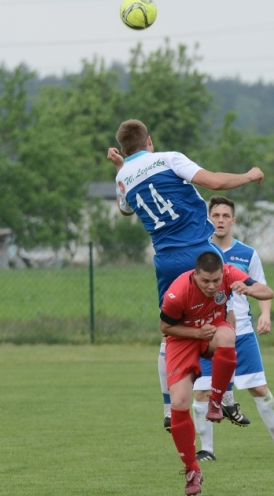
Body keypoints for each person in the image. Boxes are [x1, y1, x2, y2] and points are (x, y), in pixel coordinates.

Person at [107, 119, 264, 432]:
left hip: (166, 260)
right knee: (227, 315)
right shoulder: (168, 159)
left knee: (170, 330)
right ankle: (223, 395)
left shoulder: (122, 176)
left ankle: (169, 407)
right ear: (149, 140)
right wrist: (249, 175)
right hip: (199, 251)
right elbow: (214, 183)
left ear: (123, 149)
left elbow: (126, 210)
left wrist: (122, 168)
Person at [192, 197, 274, 461]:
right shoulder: (200, 253)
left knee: (259, 388)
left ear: (233, 220)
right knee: (202, 392)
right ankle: (206, 450)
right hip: (209, 334)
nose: (220, 220)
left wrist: (265, 314)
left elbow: (262, 287)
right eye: (215, 215)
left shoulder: (247, 254)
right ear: (209, 219)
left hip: (241, 333)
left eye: (225, 216)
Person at [159, 250, 274, 496]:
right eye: (205, 281)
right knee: (179, 403)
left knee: (227, 336)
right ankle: (192, 469)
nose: (212, 286)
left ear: (223, 273)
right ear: (195, 275)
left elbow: (268, 292)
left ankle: (216, 400)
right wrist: (197, 333)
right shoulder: (177, 292)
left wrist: (248, 289)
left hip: (212, 330)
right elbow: (165, 326)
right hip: (183, 339)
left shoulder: (231, 274)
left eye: (216, 280)